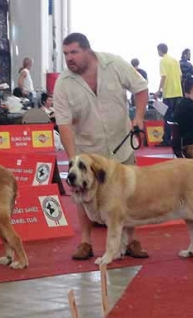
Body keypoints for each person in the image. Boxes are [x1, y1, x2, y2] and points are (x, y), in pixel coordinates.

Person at [53, 33, 150, 260]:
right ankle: (85, 242)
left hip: (121, 143)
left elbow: (141, 88)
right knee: (82, 194)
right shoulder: (63, 84)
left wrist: (140, 117)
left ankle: (131, 240)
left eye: (74, 52)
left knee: (127, 195)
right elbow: (64, 123)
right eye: (66, 54)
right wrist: (73, 159)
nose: (69, 58)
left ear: (88, 50)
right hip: (88, 150)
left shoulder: (114, 64)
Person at [156, 43, 183, 146]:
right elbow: (180, 76)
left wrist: (159, 90)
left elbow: (163, 76)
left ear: (160, 50)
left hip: (169, 93)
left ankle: (166, 140)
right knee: (177, 118)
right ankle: (178, 139)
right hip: (178, 92)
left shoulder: (163, 61)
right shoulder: (175, 60)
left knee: (167, 118)